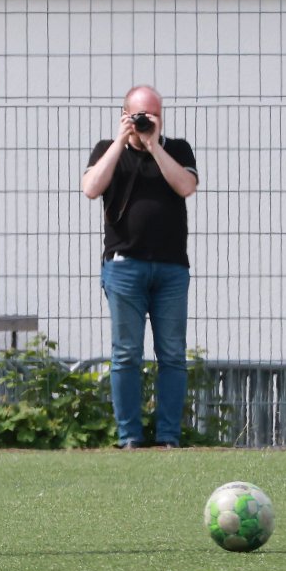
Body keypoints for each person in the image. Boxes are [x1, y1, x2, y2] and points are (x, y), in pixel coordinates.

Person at [80, 84, 199, 450]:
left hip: (171, 269)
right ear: (124, 114)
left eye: (153, 114)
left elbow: (185, 187)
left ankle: (168, 437)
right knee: (127, 353)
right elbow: (90, 188)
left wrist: (153, 146)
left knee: (173, 355)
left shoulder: (176, 149)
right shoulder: (107, 150)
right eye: (139, 115)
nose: (147, 120)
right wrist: (121, 141)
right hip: (124, 266)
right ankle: (129, 436)